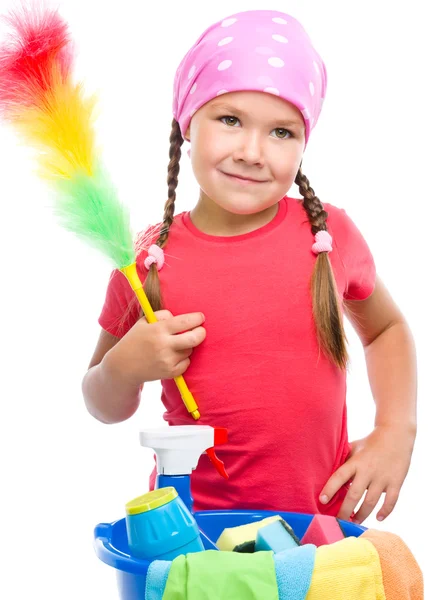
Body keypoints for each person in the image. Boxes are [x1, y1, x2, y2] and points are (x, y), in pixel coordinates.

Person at [82, 10, 417, 524]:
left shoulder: (328, 237)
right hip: (191, 535)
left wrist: (395, 431)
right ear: (187, 122)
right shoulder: (146, 265)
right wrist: (123, 368)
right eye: (230, 119)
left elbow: (386, 330)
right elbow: (103, 403)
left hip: (319, 530)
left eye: (281, 131)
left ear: (304, 143)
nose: (252, 152)